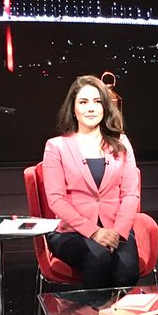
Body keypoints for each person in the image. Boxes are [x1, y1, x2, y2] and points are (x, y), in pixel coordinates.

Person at [42, 75, 141, 289]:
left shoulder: (121, 143)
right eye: (83, 102)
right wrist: (94, 232)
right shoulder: (56, 146)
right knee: (98, 258)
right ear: (73, 108)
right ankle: (93, 312)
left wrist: (118, 232)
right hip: (72, 232)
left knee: (127, 270)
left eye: (97, 102)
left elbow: (131, 194)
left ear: (105, 107)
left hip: (115, 229)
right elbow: (56, 199)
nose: (91, 108)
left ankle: (116, 312)